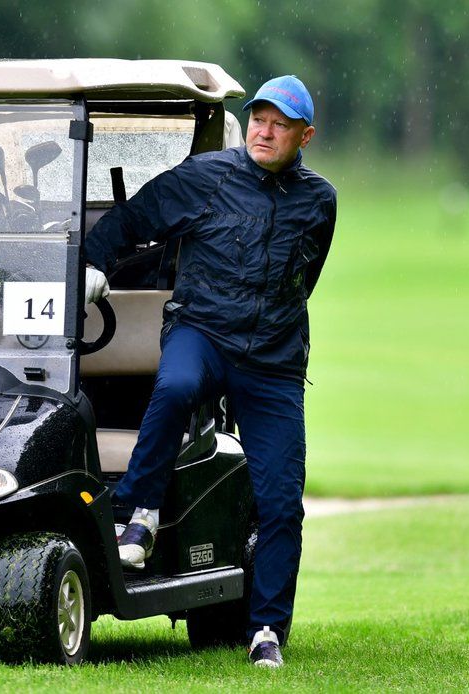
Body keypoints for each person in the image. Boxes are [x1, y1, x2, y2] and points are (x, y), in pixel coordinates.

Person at [83, 75, 337, 668]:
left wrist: (273, 328)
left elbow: (306, 276)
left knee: (280, 499)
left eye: (279, 124)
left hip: (272, 365)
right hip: (201, 331)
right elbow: (131, 220)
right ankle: (138, 517)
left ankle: (267, 630)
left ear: (306, 135)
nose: (264, 131)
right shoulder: (206, 177)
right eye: (258, 119)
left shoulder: (320, 201)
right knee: (173, 386)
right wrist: (95, 262)